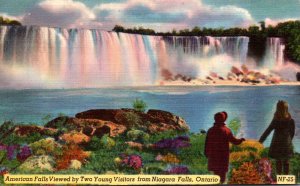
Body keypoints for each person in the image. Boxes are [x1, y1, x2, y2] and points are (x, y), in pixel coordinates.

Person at [204, 111, 245, 183]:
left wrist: (206, 153)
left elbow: (207, 143)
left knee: (216, 174)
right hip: (223, 157)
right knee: (222, 176)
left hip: (214, 156)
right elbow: (234, 141)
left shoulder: (211, 130)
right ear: (223, 120)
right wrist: (241, 140)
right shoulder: (226, 130)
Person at [259, 100, 295, 175]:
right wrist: (288, 141)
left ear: (277, 109)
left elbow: (268, 131)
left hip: (277, 145)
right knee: (286, 162)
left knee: (278, 162)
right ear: (286, 109)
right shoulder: (291, 121)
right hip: (287, 145)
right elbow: (292, 134)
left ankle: (279, 181)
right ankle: (285, 182)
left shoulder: (276, 120)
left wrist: (260, 142)